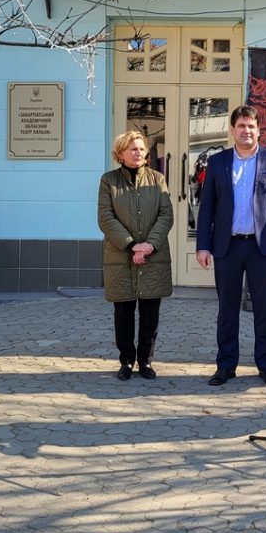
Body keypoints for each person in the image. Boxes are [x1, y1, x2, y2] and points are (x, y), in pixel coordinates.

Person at [196, 105, 266, 387]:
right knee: (227, 311)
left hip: (262, 248)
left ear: (259, 130)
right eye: (241, 126)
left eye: (251, 126)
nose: (246, 131)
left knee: (264, 310)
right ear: (232, 130)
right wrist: (203, 245)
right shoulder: (218, 162)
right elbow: (206, 207)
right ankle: (226, 366)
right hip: (227, 247)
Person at [98, 131, 174, 381]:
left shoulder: (157, 179)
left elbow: (166, 215)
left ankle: (146, 360)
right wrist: (132, 245)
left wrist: (149, 245)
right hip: (120, 257)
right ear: (120, 153)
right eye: (132, 149)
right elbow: (106, 218)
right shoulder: (109, 181)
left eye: (141, 149)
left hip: (153, 256)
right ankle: (127, 361)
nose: (138, 153)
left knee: (150, 314)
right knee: (123, 313)